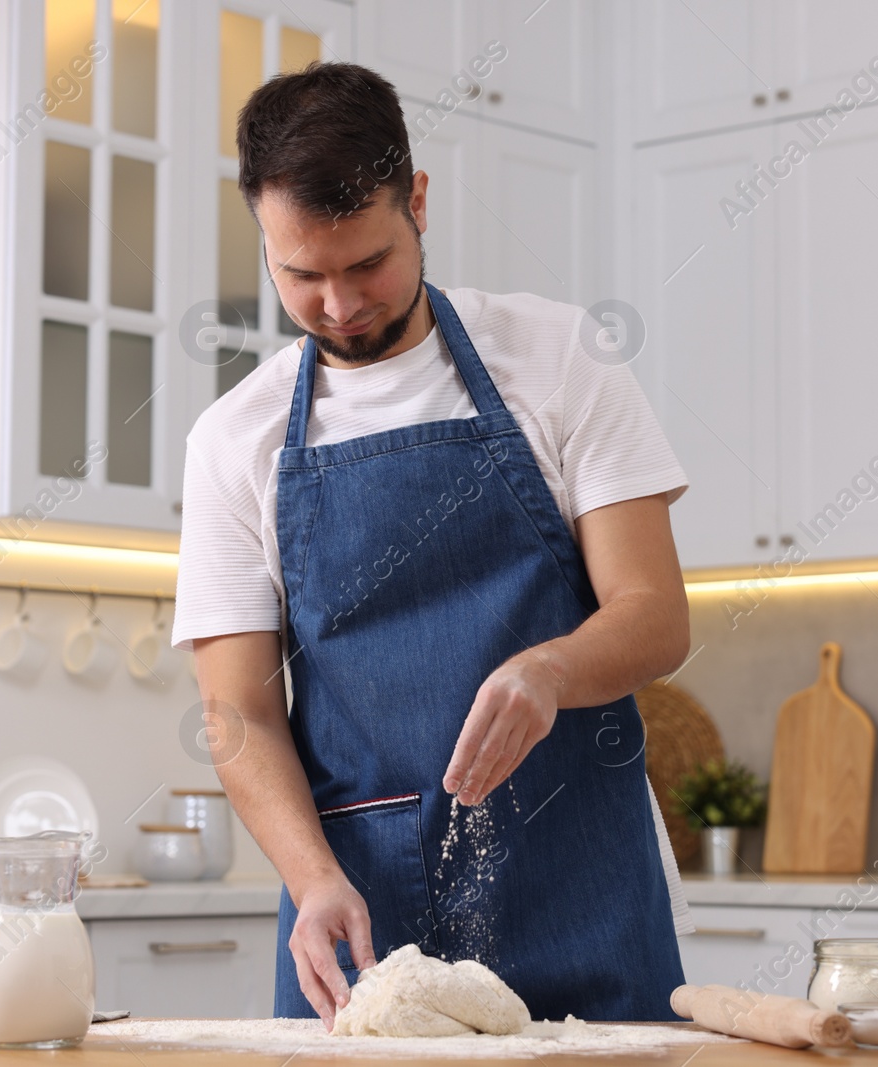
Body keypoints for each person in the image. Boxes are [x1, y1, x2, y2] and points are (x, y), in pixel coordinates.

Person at [171, 61, 692, 1028]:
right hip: (359, 922)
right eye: (302, 274)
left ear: (415, 202)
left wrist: (549, 669)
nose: (339, 304)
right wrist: (308, 877)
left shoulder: (558, 358)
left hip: (580, 889)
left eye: (366, 262)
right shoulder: (233, 440)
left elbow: (655, 617)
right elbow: (235, 708)